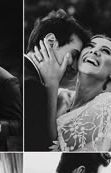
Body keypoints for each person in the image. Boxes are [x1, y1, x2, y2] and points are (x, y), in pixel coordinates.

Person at [31, 34, 111, 151]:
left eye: (105, 51)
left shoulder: (109, 102)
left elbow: (54, 148)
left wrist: (52, 82)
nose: (94, 51)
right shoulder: (59, 94)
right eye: (90, 46)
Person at [24, 9, 90, 151]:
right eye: (73, 54)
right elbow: (40, 147)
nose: (72, 65)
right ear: (51, 42)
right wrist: (52, 85)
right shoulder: (31, 86)